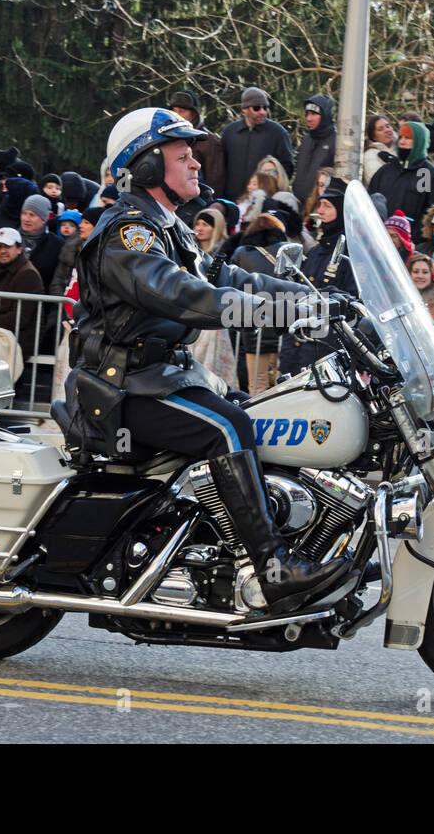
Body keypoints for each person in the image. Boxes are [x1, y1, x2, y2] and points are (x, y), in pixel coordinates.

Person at [72, 106, 348, 612]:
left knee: (266, 411)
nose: (197, 163)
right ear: (149, 167)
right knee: (227, 428)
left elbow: (230, 281)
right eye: (183, 156)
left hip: (162, 376)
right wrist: (282, 313)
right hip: (123, 386)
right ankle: (270, 569)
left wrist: (318, 301)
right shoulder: (127, 231)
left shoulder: (169, 227)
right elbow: (184, 296)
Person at [278, 177, 358, 374]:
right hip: (297, 348)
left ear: (342, 212)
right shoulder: (315, 251)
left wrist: (322, 296)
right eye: (320, 204)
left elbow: (352, 300)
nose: (319, 211)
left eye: (327, 206)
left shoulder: (352, 253)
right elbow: (299, 294)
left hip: (324, 354)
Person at [230, 199, 295, 395]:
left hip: (253, 325)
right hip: (285, 325)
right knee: (282, 384)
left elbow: (232, 286)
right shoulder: (289, 250)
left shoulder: (241, 254)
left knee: (256, 386)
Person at [0, 226, 45, 368]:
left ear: (19, 248)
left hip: (20, 338)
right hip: (0, 331)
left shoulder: (27, 274)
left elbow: (20, 318)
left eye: (7, 246)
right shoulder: (0, 269)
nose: (2, 251)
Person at [367, 120, 434, 228]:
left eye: (408, 138)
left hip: (412, 242)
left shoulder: (427, 173)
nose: (402, 141)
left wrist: (417, 237)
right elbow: (368, 201)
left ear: (419, 141)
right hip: (381, 238)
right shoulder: (386, 170)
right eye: (400, 137)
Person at [219, 87, 294, 202]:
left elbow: (286, 168)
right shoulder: (229, 132)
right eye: (257, 108)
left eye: (265, 107)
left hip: (264, 201)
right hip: (232, 200)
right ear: (244, 109)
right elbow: (220, 166)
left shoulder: (278, 133)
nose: (262, 112)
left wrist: (271, 191)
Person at [167, 91, 225, 193]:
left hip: (199, 202)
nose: (177, 115)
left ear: (194, 114)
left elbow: (215, 183)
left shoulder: (209, 141)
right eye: (174, 111)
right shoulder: (167, 138)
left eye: (182, 111)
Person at [291, 95, 336, 205]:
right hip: (298, 205)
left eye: (314, 114)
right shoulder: (306, 139)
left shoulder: (336, 141)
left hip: (320, 206)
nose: (308, 118)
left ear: (325, 115)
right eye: (307, 114)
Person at [18, 194, 62, 289]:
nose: (27, 219)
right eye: (24, 213)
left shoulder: (56, 245)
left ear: (43, 219)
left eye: (32, 215)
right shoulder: (12, 238)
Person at [361, 114, 396, 187]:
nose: (387, 130)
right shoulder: (370, 154)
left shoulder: (400, 150)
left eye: (388, 126)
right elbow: (377, 181)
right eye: (380, 129)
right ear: (374, 137)